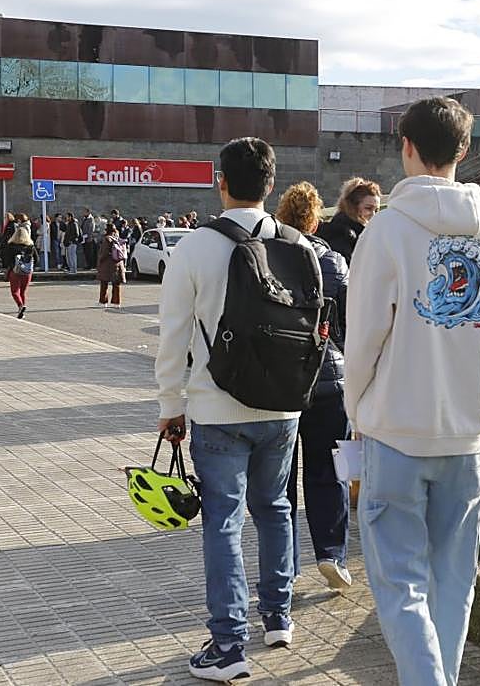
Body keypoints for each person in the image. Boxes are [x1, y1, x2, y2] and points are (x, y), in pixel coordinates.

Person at [345, 98, 480, 686]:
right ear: (463, 151)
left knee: (399, 581)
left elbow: (363, 336)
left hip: (395, 426)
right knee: (452, 578)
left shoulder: (386, 230)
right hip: (468, 431)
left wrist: (356, 409)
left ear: (406, 146)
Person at [154, 137, 305, 682]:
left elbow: (172, 333)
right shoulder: (298, 245)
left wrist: (171, 404)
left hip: (217, 406)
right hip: (284, 407)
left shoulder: (196, 247)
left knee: (223, 522)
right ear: (271, 184)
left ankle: (228, 645)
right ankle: (280, 617)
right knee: (276, 509)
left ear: (221, 182)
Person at [275, 181, 353, 590]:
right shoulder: (333, 261)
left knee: (280, 477)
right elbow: (348, 328)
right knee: (330, 470)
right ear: (314, 219)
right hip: (330, 380)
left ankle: (285, 564)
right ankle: (332, 554)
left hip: (280, 384)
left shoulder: (265, 257)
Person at [318, 176, 381, 263]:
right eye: (368, 208)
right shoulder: (341, 235)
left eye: (377, 210)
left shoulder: (363, 233)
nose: (374, 214)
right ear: (353, 207)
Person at [2, 224, 38, 318]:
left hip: (15, 271)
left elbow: (6, 259)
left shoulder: (11, 246)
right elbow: (37, 259)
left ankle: (20, 306)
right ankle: (22, 310)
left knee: (15, 291)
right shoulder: (31, 247)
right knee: (23, 292)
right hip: (27, 272)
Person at [96, 222, 127, 308]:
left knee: (104, 283)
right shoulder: (117, 238)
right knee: (116, 284)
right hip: (118, 263)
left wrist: (99, 260)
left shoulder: (107, 239)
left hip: (108, 264)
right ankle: (116, 302)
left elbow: (104, 253)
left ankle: (103, 301)